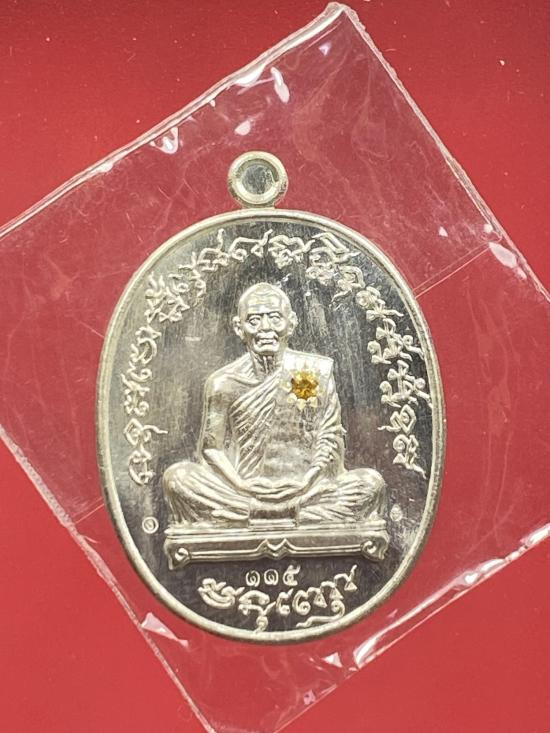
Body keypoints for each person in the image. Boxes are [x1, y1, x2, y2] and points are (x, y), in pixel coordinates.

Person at [163, 282, 385, 527]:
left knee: (370, 483)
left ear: (291, 323)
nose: (265, 328)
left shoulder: (311, 372)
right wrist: (241, 485)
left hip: (307, 491)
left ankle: (251, 517)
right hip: (243, 492)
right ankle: (286, 516)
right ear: (239, 327)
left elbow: (329, 437)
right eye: (254, 320)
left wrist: (306, 481)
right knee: (178, 478)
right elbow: (212, 448)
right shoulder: (223, 383)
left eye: (275, 318)